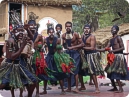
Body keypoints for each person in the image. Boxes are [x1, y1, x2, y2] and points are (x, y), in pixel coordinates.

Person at [0, 25, 37, 97]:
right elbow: (11, 57)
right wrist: (22, 46)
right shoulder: (11, 41)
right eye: (18, 31)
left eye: (22, 31)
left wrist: (27, 29)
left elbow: (32, 38)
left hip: (20, 64)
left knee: (33, 80)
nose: (20, 33)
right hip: (10, 65)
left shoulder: (20, 39)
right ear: (13, 32)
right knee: (3, 84)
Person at [68, 24, 105, 93]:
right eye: (85, 28)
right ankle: (82, 86)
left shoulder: (92, 37)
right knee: (79, 70)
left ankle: (97, 88)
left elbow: (92, 47)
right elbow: (79, 43)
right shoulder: (82, 36)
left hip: (91, 55)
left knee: (92, 71)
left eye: (88, 29)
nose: (86, 30)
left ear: (90, 29)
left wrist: (81, 47)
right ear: (83, 29)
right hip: (84, 55)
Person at [97, 25, 129, 93]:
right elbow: (106, 48)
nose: (112, 30)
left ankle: (121, 89)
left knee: (115, 72)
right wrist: (97, 50)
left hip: (119, 57)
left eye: (114, 29)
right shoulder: (111, 40)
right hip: (114, 57)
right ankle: (114, 87)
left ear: (117, 31)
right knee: (109, 71)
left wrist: (113, 51)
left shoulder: (119, 38)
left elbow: (122, 48)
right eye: (112, 29)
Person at [40, 28, 68, 95]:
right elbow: (42, 46)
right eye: (50, 32)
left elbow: (60, 49)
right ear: (48, 33)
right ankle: (45, 90)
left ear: (54, 32)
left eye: (52, 32)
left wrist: (60, 56)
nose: (51, 33)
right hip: (49, 56)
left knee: (59, 72)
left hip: (56, 56)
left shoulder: (57, 39)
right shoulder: (46, 39)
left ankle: (62, 90)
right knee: (46, 72)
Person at [62, 21, 82, 93]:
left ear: (71, 27)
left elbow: (82, 44)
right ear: (65, 27)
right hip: (67, 54)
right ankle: (69, 87)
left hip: (75, 53)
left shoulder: (76, 34)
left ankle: (76, 87)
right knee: (68, 70)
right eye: (67, 26)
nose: (68, 27)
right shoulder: (63, 35)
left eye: (69, 26)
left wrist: (73, 47)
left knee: (75, 70)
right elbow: (63, 45)